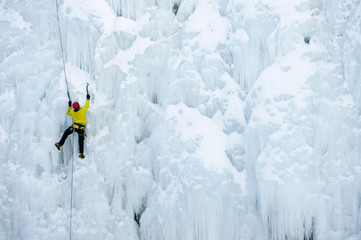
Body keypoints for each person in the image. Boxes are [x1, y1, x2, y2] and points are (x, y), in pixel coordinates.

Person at [55, 93, 90, 159]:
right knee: (81, 141)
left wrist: (69, 106)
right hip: (81, 129)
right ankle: (81, 153)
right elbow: (87, 105)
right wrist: (88, 98)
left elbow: (67, 113)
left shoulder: (72, 112)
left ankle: (60, 144)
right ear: (79, 106)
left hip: (74, 127)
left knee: (66, 133)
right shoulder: (82, 110)